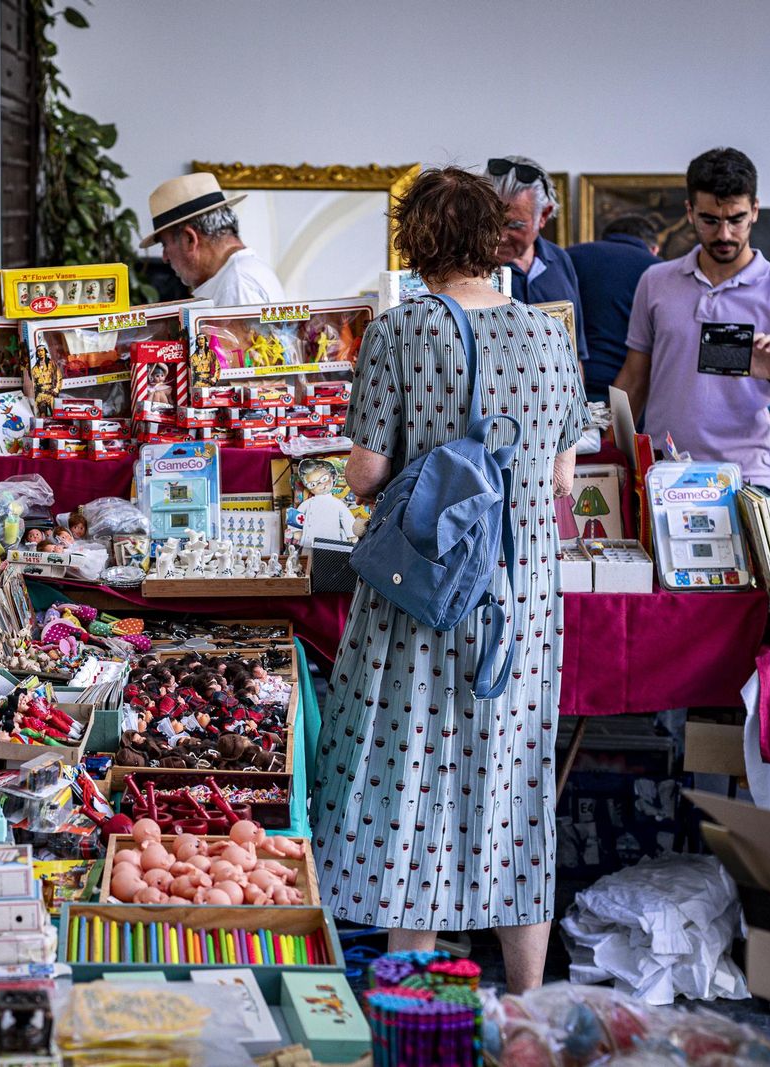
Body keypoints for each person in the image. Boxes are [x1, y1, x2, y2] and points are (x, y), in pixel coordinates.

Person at [311, 166, 585, 993]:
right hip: (523, 603)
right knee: (515, 783)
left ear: (418, 242)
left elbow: (364, 475)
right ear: (494, 237)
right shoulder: (549, 332)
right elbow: (566, 478)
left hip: (424, 599)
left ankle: (414, 998)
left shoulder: (404, 330)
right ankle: (528, 1003)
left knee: (415, 778)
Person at [614, 147, 770, 507]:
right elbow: (633, 379)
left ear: (755, 210)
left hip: (746, 479)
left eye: (736, 219)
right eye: (710, 220)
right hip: (664, 474)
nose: (724, 233)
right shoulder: (656, 282)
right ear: (689, 212)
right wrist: (613, 456)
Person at [487, 155, 587, 361]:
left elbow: (575, 353)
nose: (499, 236)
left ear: (543, 215)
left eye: (514, 225)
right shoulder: (470, 265)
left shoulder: (559, 260)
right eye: (491, 222)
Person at [141, 173, 285, 304]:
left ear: (189, 239)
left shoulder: (235, 285)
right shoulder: (240, 274)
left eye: (164, 244)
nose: (165, 257)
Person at [566, 214, 660, 402]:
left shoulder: (569, 256)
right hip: (630, 392)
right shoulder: (658, 271)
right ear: (654, 249)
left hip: (571, 383)